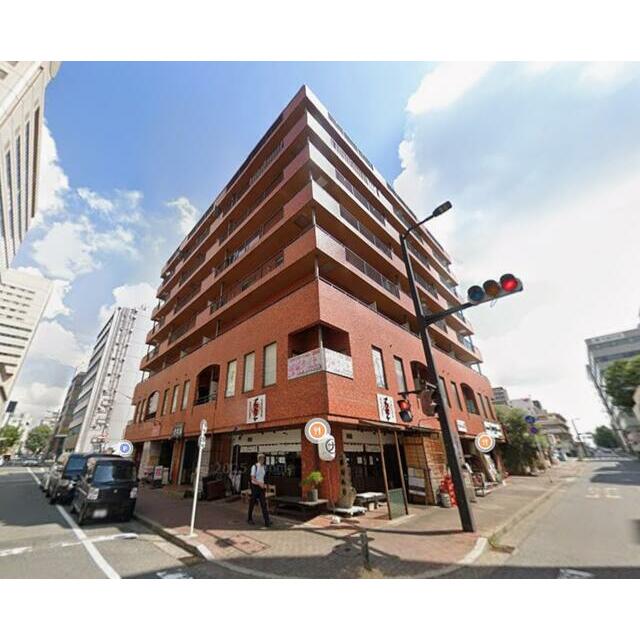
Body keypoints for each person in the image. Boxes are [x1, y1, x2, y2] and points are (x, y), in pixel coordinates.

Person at [247, 453, 271, 527]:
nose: (263, 460)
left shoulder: (264, 467)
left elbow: (264, 477)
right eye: (262, 459)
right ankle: (249, 518)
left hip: (261, 487)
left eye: (264, 459)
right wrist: (259, 483)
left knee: (263, 504)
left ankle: (267, 521)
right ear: (259, 459)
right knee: (252, 502)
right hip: (255, 487)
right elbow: (252, 477)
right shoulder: (254, 467)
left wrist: (265, 485)